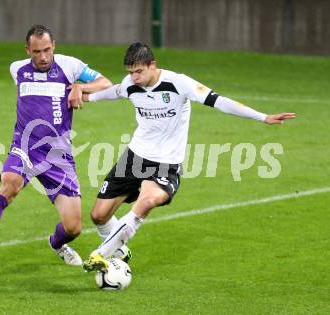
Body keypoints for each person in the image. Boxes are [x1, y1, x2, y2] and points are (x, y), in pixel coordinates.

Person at [81, 42, 296, 272]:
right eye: (130, 72)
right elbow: (112, 92)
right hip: (134, 157)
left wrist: (262, 117)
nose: (134, 77)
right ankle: (118, 249)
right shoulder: (130, 85)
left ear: (153, 65)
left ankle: (100, 254)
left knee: (147, 201)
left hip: (166, 163)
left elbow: (219, 101)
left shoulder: (178, 83)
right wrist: (82, 96)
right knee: (98, 216)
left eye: (139, 71)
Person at [0, 25, 112, 265]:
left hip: (57, 154)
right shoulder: (17, 69)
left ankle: (57, 243)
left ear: (54, 46)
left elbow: (106, 83)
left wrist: (80, 86)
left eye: (47, 50)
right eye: (36, 52)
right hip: (25, 145)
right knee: (9, 185)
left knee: (73, 227)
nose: (42, 57)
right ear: (27, 50)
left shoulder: (70, 66)